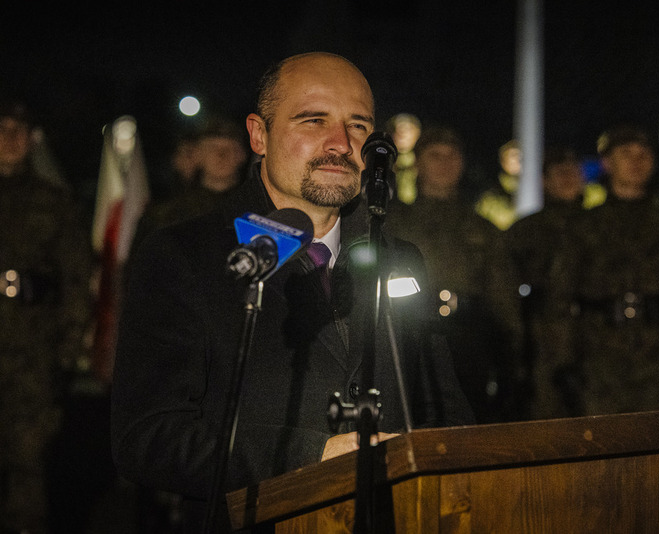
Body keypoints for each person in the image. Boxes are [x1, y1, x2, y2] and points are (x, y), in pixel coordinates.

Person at [110, 52, 474, 532]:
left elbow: (442, 407)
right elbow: (149, 437)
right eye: (313, 120)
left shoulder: (399, 257)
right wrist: (313, 456)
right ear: (259, 135)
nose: (341, 144)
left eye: (359, 126)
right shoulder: (184, 255)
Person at [548, 125, 659, 417]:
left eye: (643, 154)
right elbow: (560, 299)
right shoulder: (584, 227)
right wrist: (564, 363)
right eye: (625, 154)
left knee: (657, 450)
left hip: (657, 360)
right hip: (597, 361)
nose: (636, 161)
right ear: (608, 163)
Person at [384, 126, 523, 424]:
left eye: (452, 155)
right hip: (409, 334)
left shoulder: (482, 228)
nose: (445, 163)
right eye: (435, 155)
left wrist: (511, 352)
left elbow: (502, 298)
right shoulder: (395, 222)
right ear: (418, 162)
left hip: (468, 339)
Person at [0, 97, 94, 532]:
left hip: (31, 351)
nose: (9, 140)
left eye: (19, 131)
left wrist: (67, 351)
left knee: (28, 462)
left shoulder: (54, 201)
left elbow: (76, 280)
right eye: (1, 129)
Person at [505, 146, 588, 419]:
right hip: (541, 344)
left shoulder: (600, 227)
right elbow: (504, 290)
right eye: (559, 173)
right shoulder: (525, 231)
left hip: (596, 345)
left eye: (572, 172)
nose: (567, 178)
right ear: (544, 180)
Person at [131, 115, 248, 254]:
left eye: (230, 148)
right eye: (213, 148)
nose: (221, 155)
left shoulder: (254, 212)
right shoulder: (165, 215)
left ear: (242, 155)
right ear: (197, 155)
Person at [474, 139, 521, 230]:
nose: (518, 159)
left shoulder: (540, 190)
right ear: (503, 161)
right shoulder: (489, 199)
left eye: (520, 155)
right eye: (513, 155)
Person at [385, 112, 421, 205]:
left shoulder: (423, 160)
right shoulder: (382, 158)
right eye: (395, 129)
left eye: (406, 129)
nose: (400, 134)